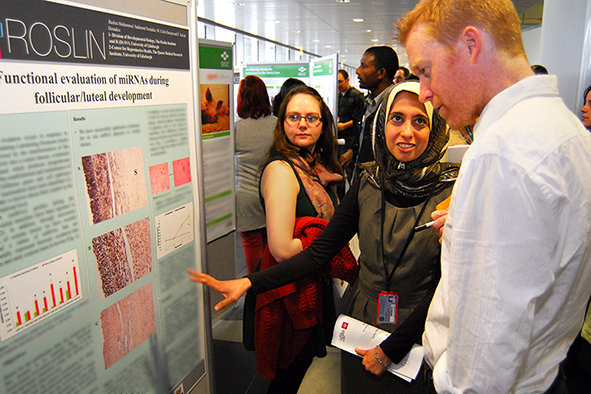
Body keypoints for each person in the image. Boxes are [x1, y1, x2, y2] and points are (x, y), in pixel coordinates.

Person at [190, 82, 460, 394]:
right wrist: (250, 283)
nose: (407, 133)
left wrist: (390, 350)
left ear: (435, 127)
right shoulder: (369, 181)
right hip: (362, 317)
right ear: (382, 123)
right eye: (396, 119)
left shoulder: (452, 189)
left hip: (416, 327)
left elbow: (447, 286)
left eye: (419, 121)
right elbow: (318, 253)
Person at [397, 0, 591, 392]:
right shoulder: (570, 132)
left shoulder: (502, 153)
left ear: (471, 45)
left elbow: (485, 365)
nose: (426, 93)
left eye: (426, 70)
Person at [254, 85, 346, 394]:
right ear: (282, 123)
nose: (303, 124)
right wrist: (329, 246)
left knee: (297, 367)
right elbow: (282, 249)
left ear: (323, 125)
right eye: (294, 117)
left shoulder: (311, 167)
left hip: (306, 284)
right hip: (287, 292)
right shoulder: (282, 170)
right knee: (287, 375)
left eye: (312, 118)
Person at [234, 75, 276, 274]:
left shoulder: (236, 129)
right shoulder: (279, 126)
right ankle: (273, 290)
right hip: (273, 194)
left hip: (246, 197)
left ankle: (256, 292)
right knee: (272, 242)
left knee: (251, 244)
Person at [353, 46, 398, 176]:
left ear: (381, 73)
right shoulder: (366, 103)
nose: (358, 71)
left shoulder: (395, 106)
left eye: (364, 66)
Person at [336, 69, 365, 183]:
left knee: (350, 170)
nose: (338, 85)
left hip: (351, 139)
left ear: (347, 80)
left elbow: (360, 119)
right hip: (338, 138)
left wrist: (344, 126)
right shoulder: (337, 95)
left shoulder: (357, 96)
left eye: (340, 81)